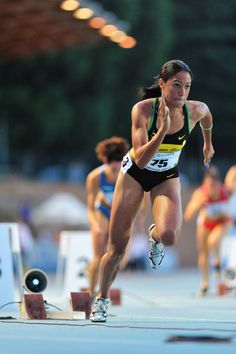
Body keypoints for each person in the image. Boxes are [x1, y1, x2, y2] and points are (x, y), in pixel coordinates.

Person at [90, 59, 215, 322]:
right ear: (162, 84)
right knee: (116, 249)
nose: (182, 93)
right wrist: (160, 131)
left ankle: (154, 235)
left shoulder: (195, 109)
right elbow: (142, 160)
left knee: (169, 235)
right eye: (177, 86)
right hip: (135, 174)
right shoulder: (144, 110)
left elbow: (207, 117)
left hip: (166, 176)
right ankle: (101, 299)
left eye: (188, 87)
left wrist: (208, 144)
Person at [86, 136, 130, 297]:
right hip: (103, 211)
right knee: (98, 257)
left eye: (118, 169)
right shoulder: (95, 177)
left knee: (117, 259)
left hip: (120, 212)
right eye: (112, 169)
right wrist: (95, 224)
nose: (115, 172)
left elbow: (141, 201)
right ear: (106, 163)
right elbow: (90, 208)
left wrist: (138, 220)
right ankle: (90, 293)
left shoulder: (128, 175)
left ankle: (102, 292)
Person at [184, 166, 232, 296]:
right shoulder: (200, 194)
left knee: (213, 241)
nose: (213, 189)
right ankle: (205, 282)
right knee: (203, 252)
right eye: (210, 185)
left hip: (222, 222)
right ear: (205, 184)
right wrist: (197, 205)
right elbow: (187, 215)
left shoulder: (225, 191)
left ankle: (218, 265)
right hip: (206, 223)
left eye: (215, 185)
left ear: (219, 184)